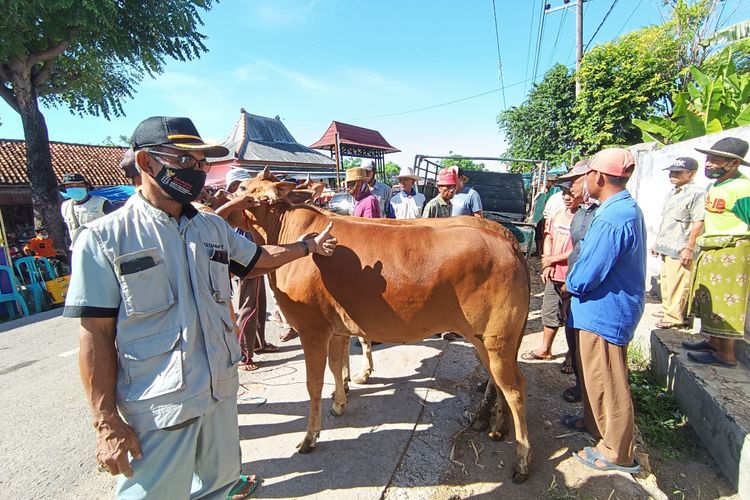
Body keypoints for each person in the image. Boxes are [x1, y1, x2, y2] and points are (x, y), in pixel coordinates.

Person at [63, 116, 337, 499]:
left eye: (202, 164)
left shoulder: (210, 227)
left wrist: (305, 247)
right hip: (161, 407)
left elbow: (256, 258)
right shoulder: (106, 239)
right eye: (186, 161)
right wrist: (106, 421)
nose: (198, 172)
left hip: (220, 396)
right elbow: (96, 335)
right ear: (146, 163)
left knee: (219, 487)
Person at [563, 148, 645, 474]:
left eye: (586, 175)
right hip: (599, 310)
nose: (583, 182)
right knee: (594, 375)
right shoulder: (620, 209)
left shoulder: (613, 217)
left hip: (605, 311)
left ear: (597, 177)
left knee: (609, 382)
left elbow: (587, 274)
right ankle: (593, 424)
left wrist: (570, 283)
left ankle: (617, 452)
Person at [683, 137, 750, 368]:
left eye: (715, 160)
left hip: (732, 250)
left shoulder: (742, 188)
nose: (708, 163)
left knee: (726, 302)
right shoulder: (716, 186)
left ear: (733, 163)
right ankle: (713, 343)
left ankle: (726, 354)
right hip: (714, 247)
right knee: (710, 299)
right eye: (708, 158)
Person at [217, 168, 278, 372]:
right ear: (235, 187)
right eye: (244, 185)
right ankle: (244, 354)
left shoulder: (247, 203)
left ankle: (259, 343)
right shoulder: (234, 206)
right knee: (248, 305)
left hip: (258, 255)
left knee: (260, 302)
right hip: (245, 260)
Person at [521, 179, 580, 363]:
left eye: (570, 193)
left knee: (572, 316)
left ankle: (572, 356)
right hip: (554, 272)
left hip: (573, 274)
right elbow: (548, 238)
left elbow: (580, 248)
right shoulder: (558, 214)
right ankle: (546, 348)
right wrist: (547, 263)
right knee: (549, 310)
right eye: (564, 193)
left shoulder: (584, 219)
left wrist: (552, 260)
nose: (567, 197)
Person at [556, 159, 597, 404]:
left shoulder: (602, 213)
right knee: (572, 332)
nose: (569, 188)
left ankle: (590, 395)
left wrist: (573, 283)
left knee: (588, 342)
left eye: (574, 182)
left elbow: (594, 255)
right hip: (575, 281)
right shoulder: (582, 212)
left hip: (586, 286)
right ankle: (582, 387)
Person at [651, 157, 705, 329]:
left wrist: (689, 247)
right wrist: (657, 242)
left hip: (681, 245)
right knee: (666, 281)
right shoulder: (674, 192)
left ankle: (674, 317)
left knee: (679, 282)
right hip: (668, 243)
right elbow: (666, 219)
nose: (672, 175)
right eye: (671, 171)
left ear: (692, 173)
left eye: (678, 172)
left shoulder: (697, 193)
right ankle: (668, 310)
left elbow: (699, 222)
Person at [60, 172, 114, 247]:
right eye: (70, 187)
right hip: (78, 247)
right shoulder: (65, 206)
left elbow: (115, 224)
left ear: (86, 186)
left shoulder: (101, 203)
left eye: (79, 186)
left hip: (102, 246)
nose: (75, 189)